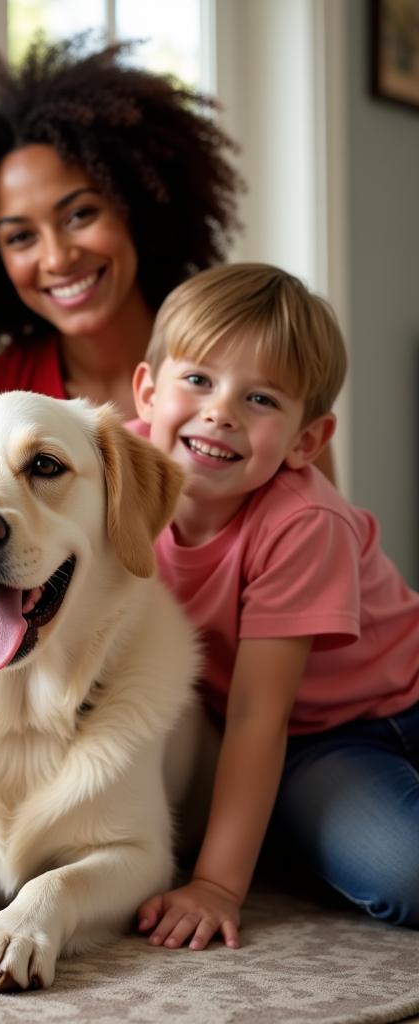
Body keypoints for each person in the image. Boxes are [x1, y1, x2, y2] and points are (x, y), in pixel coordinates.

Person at [129, 263, 419, 948]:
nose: (221, 412)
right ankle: (296, 829)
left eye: (261, 399)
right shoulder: (114, 475)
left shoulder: (304, 522)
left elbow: (258, 710)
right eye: (197, 379)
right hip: (322, 741)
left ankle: (276, 840)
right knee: (407, 871)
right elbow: (264, 724)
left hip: (396, 696)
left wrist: (218, 886)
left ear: (305, 441)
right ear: (147, 389)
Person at [0, 34, 241, 416]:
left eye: (80, 214)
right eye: (20, 237)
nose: (56, 258)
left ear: (135, 208)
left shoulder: (242, 360)